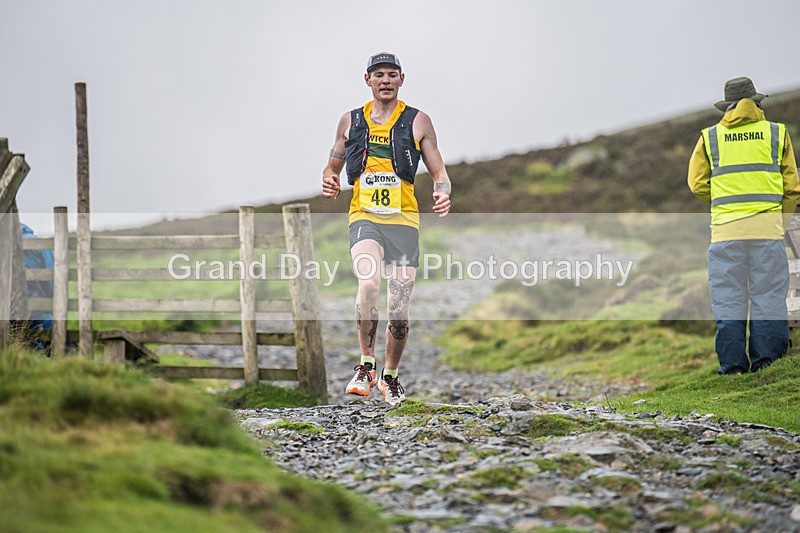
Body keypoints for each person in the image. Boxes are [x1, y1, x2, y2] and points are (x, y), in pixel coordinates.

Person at [322, 52, 452, 404]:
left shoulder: (418, 121)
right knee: (368, 283)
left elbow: (439, 173)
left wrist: (442, 193)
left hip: (404, 221)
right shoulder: (350, 121)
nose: (385, 80)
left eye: (392, 74)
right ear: (367, 80)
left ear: (401, 79)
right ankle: (366, 365)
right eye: (378, 74)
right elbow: (332, 166)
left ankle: (390, 376)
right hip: (364, 216)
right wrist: (330, 179)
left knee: (399, 303)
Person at [688, 76, 800, 374]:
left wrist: (724, 204)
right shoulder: (777, 133)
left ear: (727, 107)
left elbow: (697, 184)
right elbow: (792, 188)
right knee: (768, 298)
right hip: (767, 232)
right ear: (757, 102)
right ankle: (767, 365)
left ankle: (733, 369)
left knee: (728, 300)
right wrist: (778, 222)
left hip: (725, 233)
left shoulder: (710, 137)